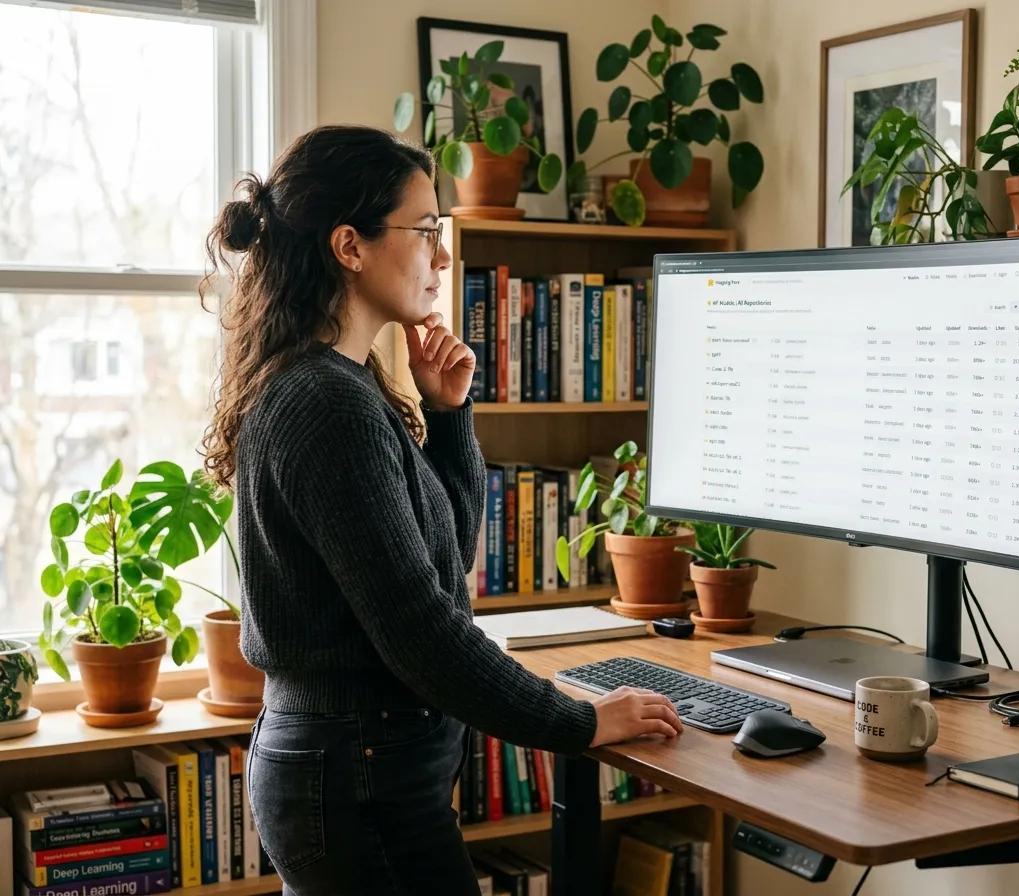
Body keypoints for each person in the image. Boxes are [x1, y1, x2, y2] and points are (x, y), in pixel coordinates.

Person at [199, 124, 683, 895]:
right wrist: (580, 722)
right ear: (349, 246)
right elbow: (422, 631)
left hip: (356, 768)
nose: (445, 256)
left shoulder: (343, 385)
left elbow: (447, 550)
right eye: (426, 231)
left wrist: (448, 413)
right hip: (358, 777)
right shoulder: (327, 403)